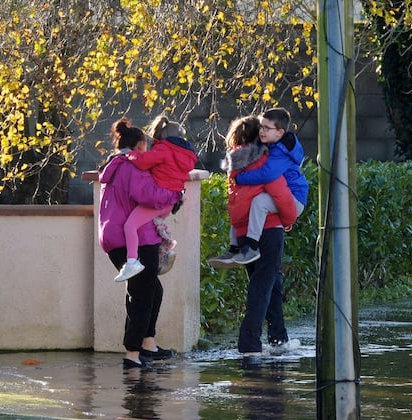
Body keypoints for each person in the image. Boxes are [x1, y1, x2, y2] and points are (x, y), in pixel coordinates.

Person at [98, 118, 181, 369]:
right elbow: (146, 195)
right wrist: (175, 195)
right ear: (141, 145)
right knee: (143, 295)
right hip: (138, 239)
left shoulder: (113, 165)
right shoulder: (133, 167)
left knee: (150, 291)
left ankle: (147, 344)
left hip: (112, 237)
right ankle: (132, 355)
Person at [215, 115, 299, 354]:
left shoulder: (235, 162)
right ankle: (249, 342)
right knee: (263, 285)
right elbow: (278, 190)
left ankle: (279, 339)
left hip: (244, 231)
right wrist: (289, 218)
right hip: (268, 227)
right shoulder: (262, 159)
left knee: (271, 283)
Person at [209, 107, 308, 267]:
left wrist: (241, 178)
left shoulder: (280, 152)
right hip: (282, 200)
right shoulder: (271, 147)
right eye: (261, 127)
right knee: (243, 205)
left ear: (279, 133)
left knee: (259, 201)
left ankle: (251, 246)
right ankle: (235, 248)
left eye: (267, 128)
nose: (262, 131)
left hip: (294, 198)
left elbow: (268, 175)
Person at [114, 115, 198, 282]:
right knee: (155, 224)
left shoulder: (164, 149)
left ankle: (132, 261)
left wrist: (130, 155)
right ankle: (164, 253)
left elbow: (144, 161)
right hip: (171, 200)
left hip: (157, 199)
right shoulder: (186, 154)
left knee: (130, 225)